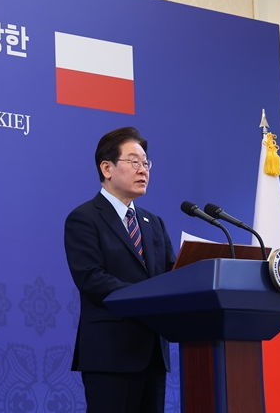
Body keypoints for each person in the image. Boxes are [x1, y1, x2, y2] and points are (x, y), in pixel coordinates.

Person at [64, 126, 175, 413]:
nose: (143, 170)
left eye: (146, 163)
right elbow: (91, 278)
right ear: (107, 168)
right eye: (134, 161)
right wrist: (147, 296)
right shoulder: (84, 218)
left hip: (153, 354)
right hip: (110, 355)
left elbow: (171, 276)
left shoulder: (154, 223)